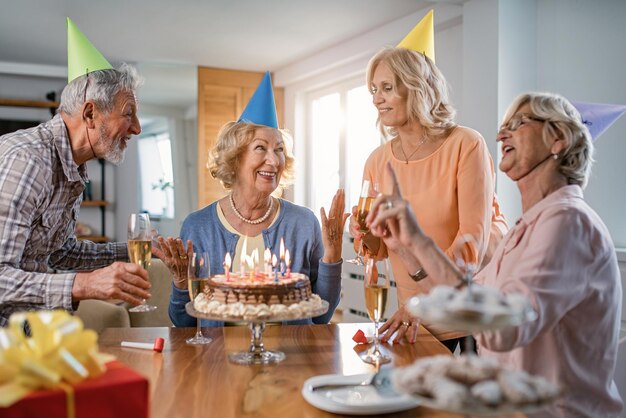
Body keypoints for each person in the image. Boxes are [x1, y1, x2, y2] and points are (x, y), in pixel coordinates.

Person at [367, 92, 623, 417]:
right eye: (503, 127)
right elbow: (463, 300)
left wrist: (420, 241)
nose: (501, 134)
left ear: (558, 139)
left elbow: (502, 333)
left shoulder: (567, 221)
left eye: (518, 124)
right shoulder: (530, 226)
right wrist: (409, 246)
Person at [349, 46, 507, 350]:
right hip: (413, 316)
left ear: (416, 89)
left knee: (462, 396)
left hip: (469, 312)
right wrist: (364, 234)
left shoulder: (465, 144)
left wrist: (422, 301)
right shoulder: (376, 161)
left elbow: (473, 243)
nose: (376, 98)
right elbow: (380, 248)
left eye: (387, 88)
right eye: (373, 89)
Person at [161, 73, 348, 327]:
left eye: (279, 150)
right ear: (236, 158)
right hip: (220, 362)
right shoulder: (198, 226)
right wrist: (182, 284)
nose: (273, 160)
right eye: (261, 148)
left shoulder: (303, 223)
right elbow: (183, 324)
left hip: (290, 359)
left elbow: (321, 315)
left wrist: (333, 256)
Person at [0, 63, 149, 327]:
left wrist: (135, 251)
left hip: (26, 331)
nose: (137, 128)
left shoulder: (72, 166)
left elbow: (61, 252)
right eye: (129, 114)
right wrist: (84, 284)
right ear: (90, 113)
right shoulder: (30, 161)